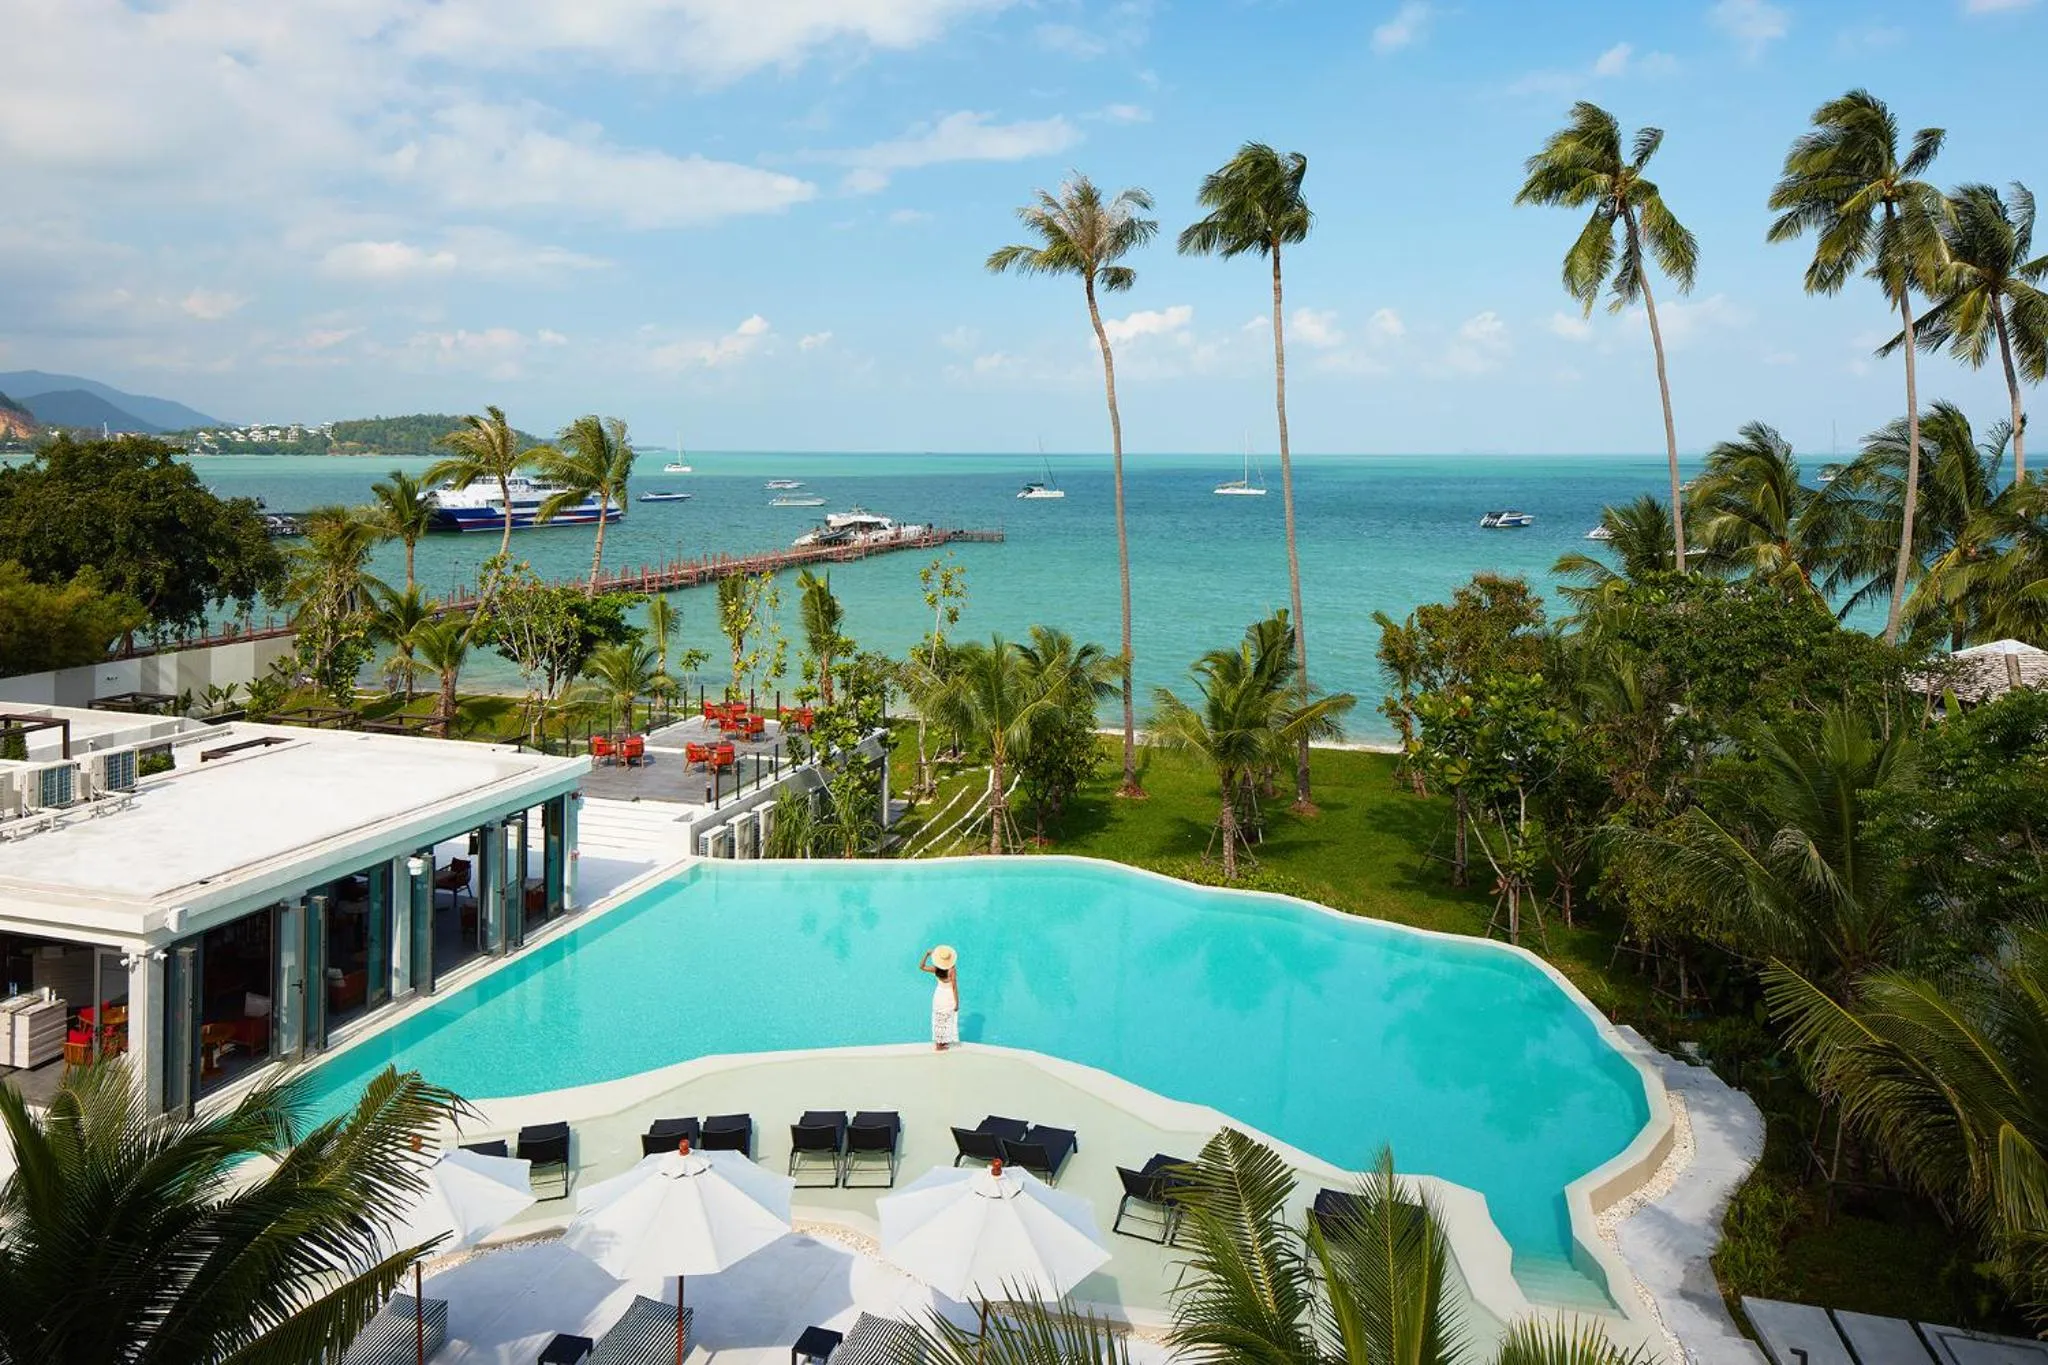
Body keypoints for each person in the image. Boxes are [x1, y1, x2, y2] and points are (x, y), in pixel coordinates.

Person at [919, 944, 959, 1051]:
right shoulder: (952, 970)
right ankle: (941, 1044)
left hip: (939, 995)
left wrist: (927, 955)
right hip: (948, 995)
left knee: (939, 1018)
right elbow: (954, 987)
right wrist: (957, 1002)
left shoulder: (936, 969)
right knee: (947, 1017)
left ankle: (939, 1043)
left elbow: (921, 967)